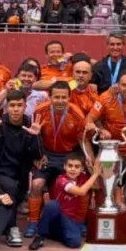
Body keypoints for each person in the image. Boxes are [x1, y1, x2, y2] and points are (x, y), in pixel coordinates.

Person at [0, 90, 44, 248]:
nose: (16, 109)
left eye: (19, 105)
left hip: (21, 174)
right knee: (10, 187)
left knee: (17, 189)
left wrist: (35, 136)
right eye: (12, 105)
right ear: (7, 107)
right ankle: (11, 228)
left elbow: (38, 155)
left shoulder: (30, 125)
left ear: (25, 106)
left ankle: (6, 225)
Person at [26, 81, 88, 238]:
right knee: (36, 184)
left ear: (69, 97)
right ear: (50, 97)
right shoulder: (40, 111)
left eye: (64, 97)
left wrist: (88, 159)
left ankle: (79, 222)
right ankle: (33, 222)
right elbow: (33, 136)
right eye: (56, 97)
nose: (60, 101)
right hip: (46, 155)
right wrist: (37, 155)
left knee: (77, 188)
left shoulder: (77, 114)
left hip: (67, 156)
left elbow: (83, 140)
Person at [29, 152, 103, 250]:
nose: (73, 169)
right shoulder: (61, 179)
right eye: (70, 166)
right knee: (52, 205)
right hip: (57, 215)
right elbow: (81, 191)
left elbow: (97, 186)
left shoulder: (83, 178)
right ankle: (40, 236)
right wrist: (95, 174)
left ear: (82, 169)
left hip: (69, 219)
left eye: (77, 167)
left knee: (75, 242)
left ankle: (53, 233)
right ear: (64, 167)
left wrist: (91, 168)